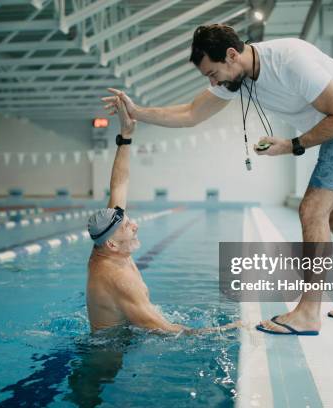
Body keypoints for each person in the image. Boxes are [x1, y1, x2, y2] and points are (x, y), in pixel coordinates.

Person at [102, 24, 333, 336]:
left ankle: (308, 312)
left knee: (312, 211)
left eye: (213, 73)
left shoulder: (290, 60)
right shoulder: (237, 76)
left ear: (231, 54)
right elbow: (190, 114)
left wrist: (291, 145)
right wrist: (137, 112)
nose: (213, 82)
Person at [87, 95, 240, 334]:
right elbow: (170, 331)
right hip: (109, 356)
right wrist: (229, 330)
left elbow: (119, 183)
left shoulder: (107, 245)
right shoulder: (117, 278)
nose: (135, 225)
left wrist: (126, 136)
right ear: (112, 245)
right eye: (127, 226)